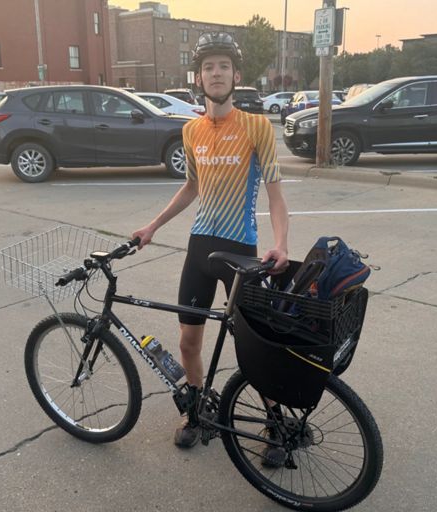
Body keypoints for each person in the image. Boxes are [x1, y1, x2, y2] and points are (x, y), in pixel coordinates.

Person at [132, 32, 289, 449]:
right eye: (208, 67)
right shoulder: (191, 131)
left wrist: (281, 244)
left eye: (223, 66)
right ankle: (197, 411)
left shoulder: (257, 127)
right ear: (198, 77)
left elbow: (275, 196)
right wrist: (152, 226)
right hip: (200, 248)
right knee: (188, 341)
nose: (215, 73)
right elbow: (191, 187)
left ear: (236, 75)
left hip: (240, 252)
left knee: (254, 348)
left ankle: (276, 423)